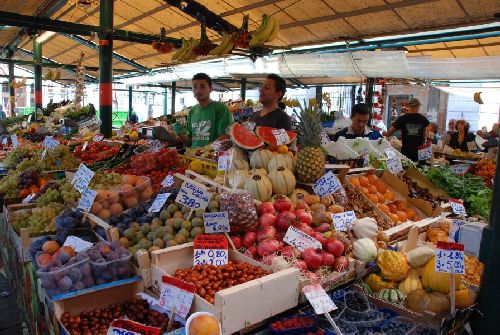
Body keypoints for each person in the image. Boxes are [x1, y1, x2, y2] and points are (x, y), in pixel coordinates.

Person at [177, 73, 233, 148]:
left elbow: (225, 136)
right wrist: (179, 133)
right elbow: (190, 141)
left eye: (202, 87)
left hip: (213, 157)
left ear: (211, 89)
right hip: (194, 156)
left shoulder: (221, 108)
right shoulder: (192, 111)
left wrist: (204, 150)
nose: (198, 91)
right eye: (195, 87)